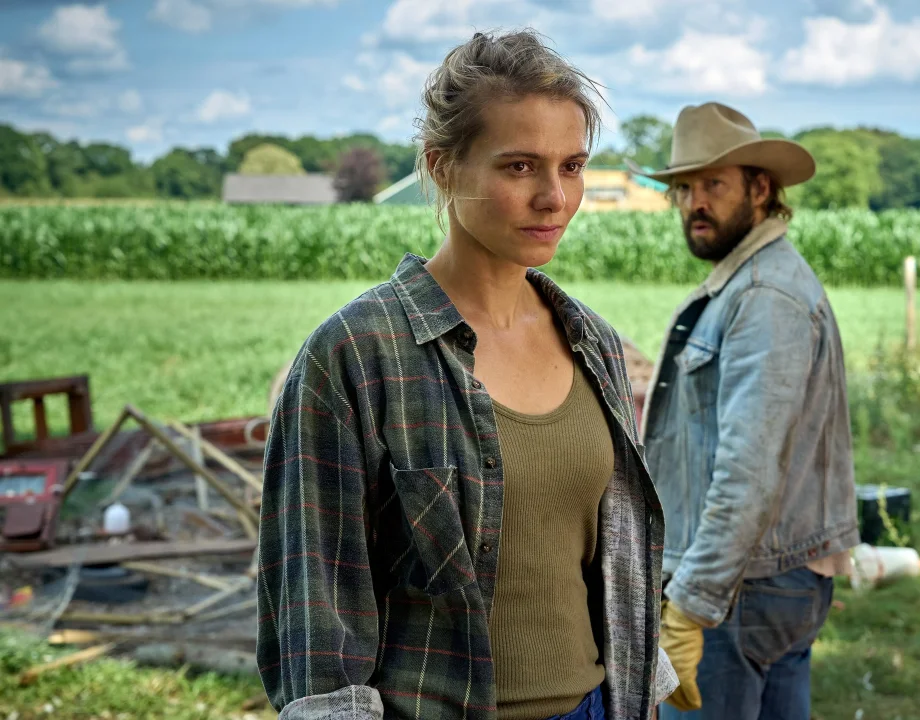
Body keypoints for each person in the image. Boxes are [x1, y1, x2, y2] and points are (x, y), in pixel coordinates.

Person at [256, 29, 676, 720]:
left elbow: (611, 562)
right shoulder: (356, 356)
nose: (554, 197)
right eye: (520, 166)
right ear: (442, 167)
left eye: (572, 166)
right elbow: (317, 614)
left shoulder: (593, 343)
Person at [632, 102, 859, 719]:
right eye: (684, 189)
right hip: (768, 577)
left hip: (742, 585)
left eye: (713, 184)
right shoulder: (751, 281)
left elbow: (748, 469)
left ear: (760, 189)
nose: (695, 203)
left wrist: (692, 604)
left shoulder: (763, 295)